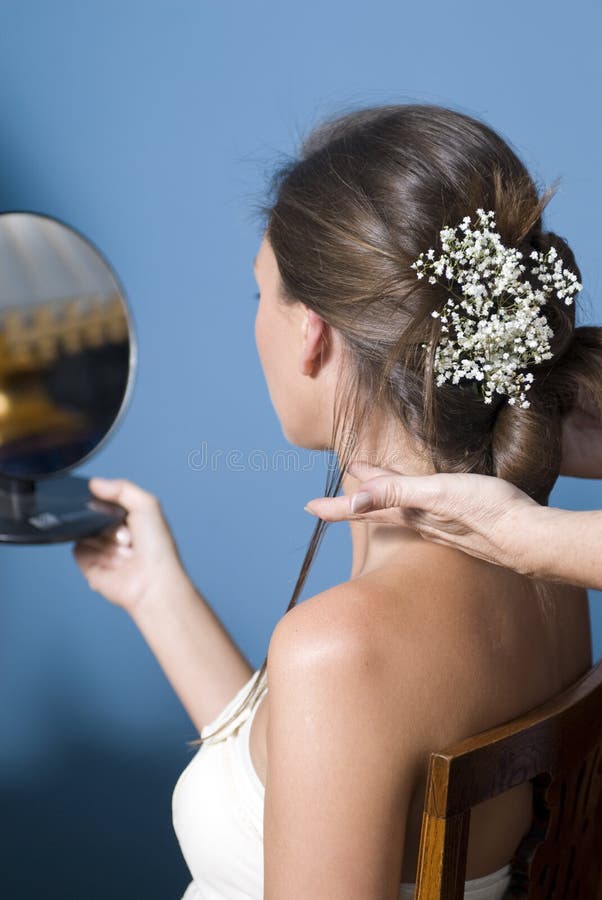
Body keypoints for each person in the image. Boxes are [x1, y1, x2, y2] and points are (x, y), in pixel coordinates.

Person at [72, 103, 598, 900]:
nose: (255, 325)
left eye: (259, 295)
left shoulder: (343, 652)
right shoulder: (549, 574)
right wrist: (155, 593)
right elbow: (317, 764)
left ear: (313, 331)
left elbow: (342, 700)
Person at [303, 403, 602, 591]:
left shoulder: (332, 642)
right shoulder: (564, 582)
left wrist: (522, 529)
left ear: (313, 330)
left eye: (260, 297)